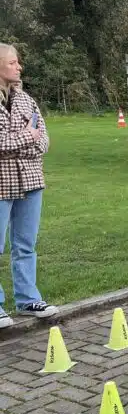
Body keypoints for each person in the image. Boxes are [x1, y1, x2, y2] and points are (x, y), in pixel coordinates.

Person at [0, 43, 57, 329]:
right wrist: (27, 138)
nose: (19, 67)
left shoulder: (26, 100)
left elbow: (43, 139)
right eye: (13, 62)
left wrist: (26, 140)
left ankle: (28, 299)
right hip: (2, 184)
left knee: (25, 244)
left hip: (31, 181)